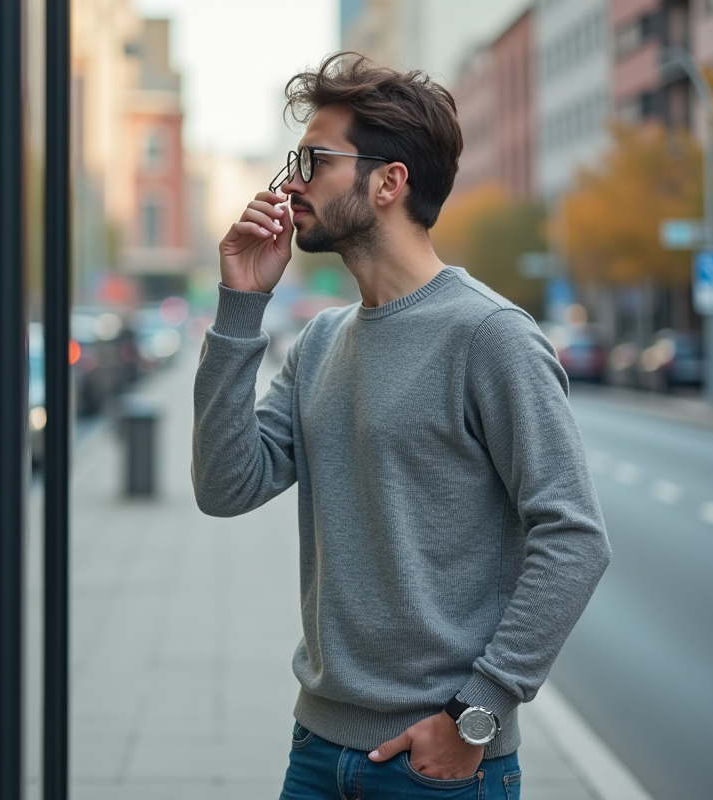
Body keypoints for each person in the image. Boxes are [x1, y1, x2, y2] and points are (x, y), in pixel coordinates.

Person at [191, 52, 611, 799]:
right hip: (316, 749)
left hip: (436, 766)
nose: (290, 181)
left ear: (388, 182)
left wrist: (476, 716)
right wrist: (241, 306)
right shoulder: (321, 341)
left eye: (315, 160)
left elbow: (574, 538)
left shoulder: (490, 336)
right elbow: (225, 487)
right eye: (296, 158)